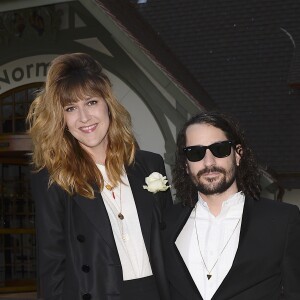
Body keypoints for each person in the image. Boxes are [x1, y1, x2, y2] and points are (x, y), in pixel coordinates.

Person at [27, 53, 172, 300]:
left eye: (91, 102)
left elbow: (170, 242)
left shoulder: (149, 164)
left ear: (107, 104)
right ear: (61, 119)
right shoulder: (53, 178)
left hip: (157, 292)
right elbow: (51, 262)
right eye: (71, 108)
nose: (84, 118)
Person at [162, 111, 300, 300]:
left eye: (219, 149)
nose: (208, 162)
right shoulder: (166, 223)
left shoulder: (282, 221)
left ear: (238, 155)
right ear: (186, 165)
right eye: (195, 153)